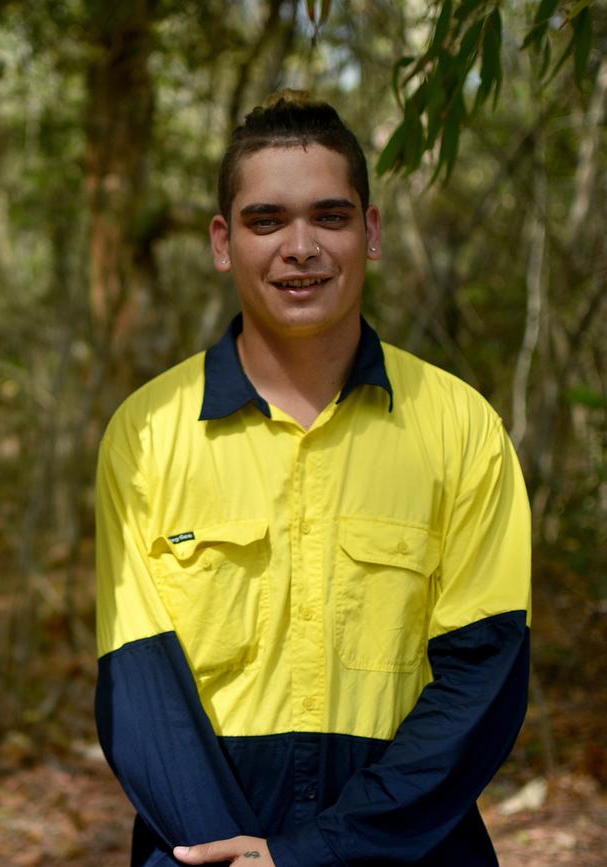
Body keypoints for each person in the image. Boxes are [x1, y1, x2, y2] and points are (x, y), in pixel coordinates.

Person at [95, 93, 531, 867]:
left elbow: (482, 681)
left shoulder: (462, 428)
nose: (301, 246)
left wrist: (316, 854)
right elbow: (140, 689)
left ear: (370, 233)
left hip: (410, 846)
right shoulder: (148, 431)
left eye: (330, 217)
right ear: (224, 242)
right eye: (267, 220)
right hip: (202, 850)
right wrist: (240, 859)